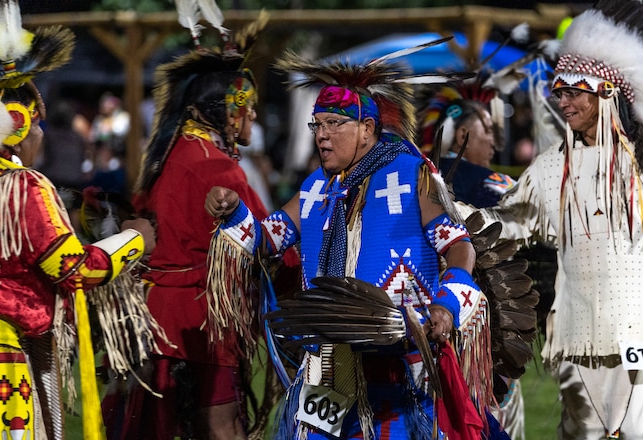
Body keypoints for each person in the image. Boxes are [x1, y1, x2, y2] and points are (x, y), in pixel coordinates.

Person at [204, 47, 498, 439]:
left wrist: (447, 303)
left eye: (334, 124)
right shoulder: (314, 191)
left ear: (366, 129)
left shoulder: (410, 175)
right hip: (329, 366)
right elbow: (265, 240)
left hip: (402, 364)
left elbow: (459, 246)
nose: (322, 135)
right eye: (317, 125)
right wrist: (235, 210)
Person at [470, 0, 643, 437]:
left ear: (608, 94)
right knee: (583, 433)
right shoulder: (553, 166)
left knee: (642, 434)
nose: (562, 102)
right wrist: (449, 207)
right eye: (559, 92)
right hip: (578, 335)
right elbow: (509, 221)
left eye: (573, 92)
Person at [102, 12, 271, 440]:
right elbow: (266, 242)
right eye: (248, 108)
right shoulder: (218, 169)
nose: (252, 118)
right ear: (230, 112)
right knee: (221, 428)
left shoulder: (166, 158)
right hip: (202, 321)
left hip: (153, 319)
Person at [0, 17, 156, 440]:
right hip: (3, 361)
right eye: (36, 121)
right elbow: (74, 268)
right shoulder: (20, 188)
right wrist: (133, 239)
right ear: (16, 124)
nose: (42, 134)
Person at [418, 85, 525, 439]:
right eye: (488, 132)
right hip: (476, 325)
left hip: (428, 321)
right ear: (462, 134)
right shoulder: (492, 182)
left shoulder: (418, 180)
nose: (494, 143)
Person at [418, 89, 515, 209]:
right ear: (463, 137)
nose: (493, 142)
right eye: (489, 131)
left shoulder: (417, 177)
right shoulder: (489, 182)